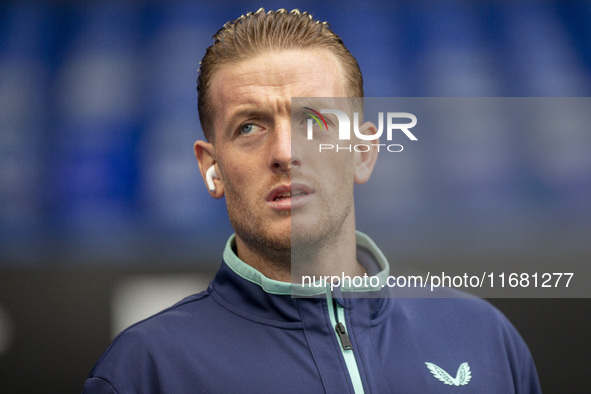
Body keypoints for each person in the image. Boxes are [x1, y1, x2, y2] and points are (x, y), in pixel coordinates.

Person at [82, 9, 541, 393]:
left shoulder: (485, 338)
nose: (285, 153)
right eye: (249, 126)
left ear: (362, 153)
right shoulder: (144, 371)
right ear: (211, 167)